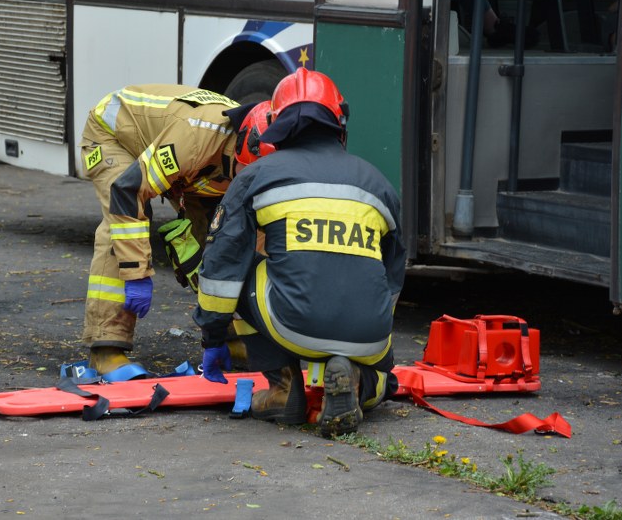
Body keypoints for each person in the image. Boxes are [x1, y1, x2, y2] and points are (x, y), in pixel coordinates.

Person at [193, 68, 407, 437]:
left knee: (240, 269)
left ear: (277, 125)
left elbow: (221, 266)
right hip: (370, 337)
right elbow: (393, 275)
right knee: (383, 376)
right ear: (339, 122)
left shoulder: (257, 176)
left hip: (293, 326)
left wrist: (212, 335)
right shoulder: (379, 183)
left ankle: (283, 388)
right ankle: (361, 382)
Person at [78, 84, 259, 376]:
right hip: (116, 136)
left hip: (199, 165)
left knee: (222, 238)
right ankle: (106, 348)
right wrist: (136, 274)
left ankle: (230, 337)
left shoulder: (260, 152)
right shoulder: (196, 139)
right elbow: (128, 191)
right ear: (239, 151)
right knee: (123, 225)